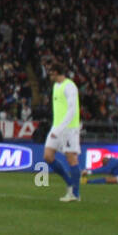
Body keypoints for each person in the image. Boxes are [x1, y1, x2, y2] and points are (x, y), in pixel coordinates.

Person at [43, 59, 82, 202]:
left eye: (51, 72)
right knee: (48, 156)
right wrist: (56, 127)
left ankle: (75, 194)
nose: (49, 75)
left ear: (56, 72)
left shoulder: (70, 86)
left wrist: (60, 128)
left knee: (71, 159)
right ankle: (69, 183)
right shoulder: (56, 86)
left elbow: (72, 110)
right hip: (57, 127)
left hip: (69, 128)